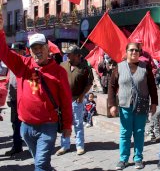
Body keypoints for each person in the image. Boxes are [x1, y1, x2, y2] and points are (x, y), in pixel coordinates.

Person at [0, 14, 72, 171]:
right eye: (34, 48)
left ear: (47, 48)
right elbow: (3, 52)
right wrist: (0, 31)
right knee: (41, 162)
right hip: (25, 127)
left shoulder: (59, 72)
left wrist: (67, 125)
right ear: (29, 50)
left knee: (39, 164)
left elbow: (66, 101)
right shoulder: (22, 64)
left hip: (47, 126)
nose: (38, 51)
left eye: (41, 47)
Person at [108, 42, 158, 170]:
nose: (134, 52)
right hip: (125, 105)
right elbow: (112, 87)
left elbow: (152, 86)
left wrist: (154, 103)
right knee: (125, 133)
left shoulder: (145, 67)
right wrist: (112, 105)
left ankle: (138, 158)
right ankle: (123, 159)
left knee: (139, 132)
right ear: (126, 52)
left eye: (136, 50)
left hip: (141, 105)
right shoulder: (118, 67)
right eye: (131, 50)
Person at [56, 44, 94, 156]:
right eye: (67, 53)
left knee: (78, 123)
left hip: (77, 99)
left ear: (77, 55)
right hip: (64, 100)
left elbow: (89, 83)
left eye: (70, 54)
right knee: (64, 123)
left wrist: (82, 96)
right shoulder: (62, 65)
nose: (67, 55)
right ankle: (65, 145)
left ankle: (79, 145)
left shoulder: (85, 67)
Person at [4, 42, 26, 156]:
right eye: (13, 51)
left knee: (26, 123)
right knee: (15, 123)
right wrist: (8, 97)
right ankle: (17, 146)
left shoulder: (25, 63)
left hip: (24, 99)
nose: (14, 53)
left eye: (16, 51)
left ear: (22, 51)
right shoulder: (11, 63)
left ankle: (26, 143)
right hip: (14, 98)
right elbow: (9, 81)